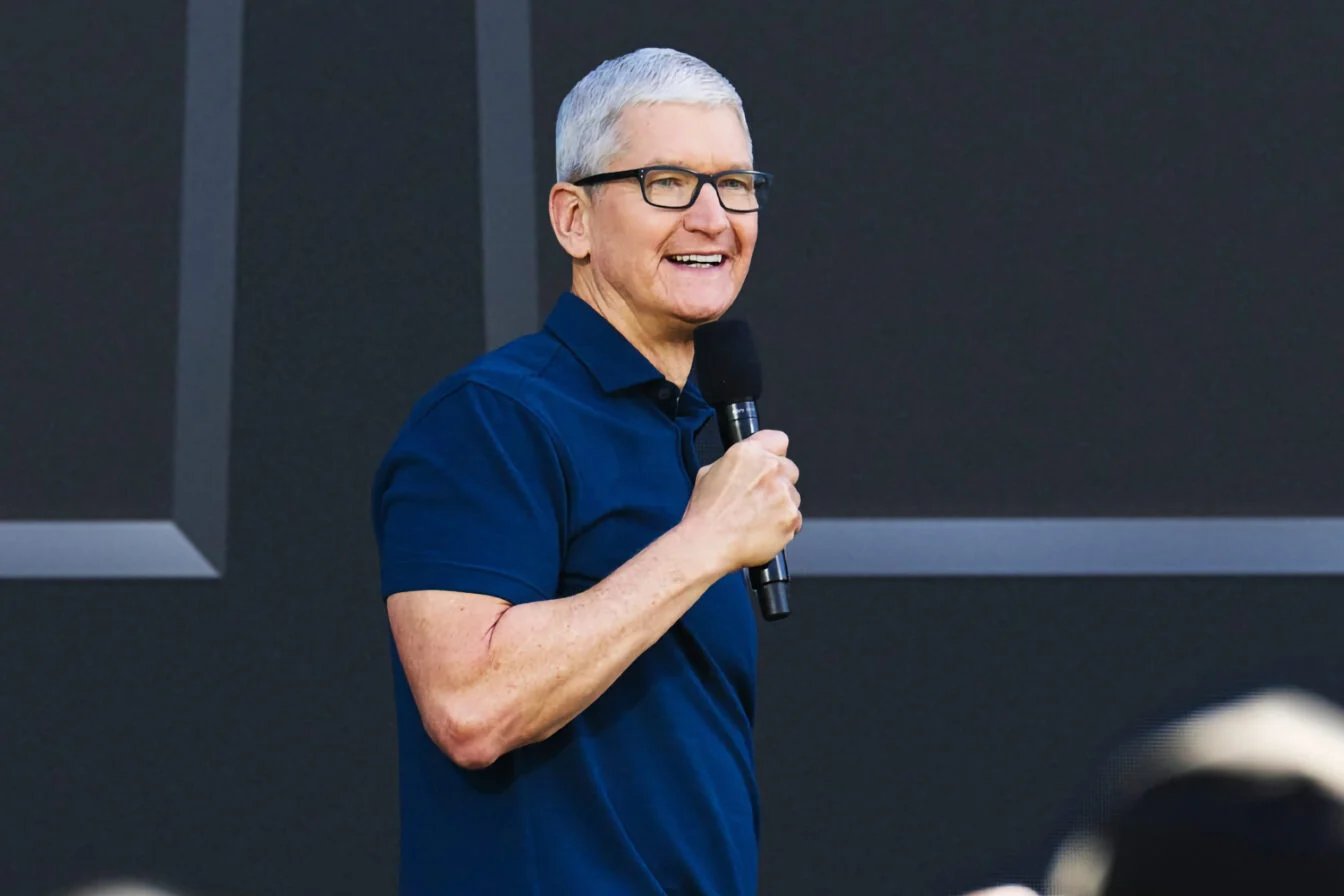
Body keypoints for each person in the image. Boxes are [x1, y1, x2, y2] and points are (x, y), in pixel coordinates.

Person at [371, 48, 801, 894]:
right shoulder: (492, 417)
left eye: (734, 184)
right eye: (667, 182)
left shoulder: (694, 431)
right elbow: (469, 706)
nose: (713, 218)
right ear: (573, 218)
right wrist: (702, 545)